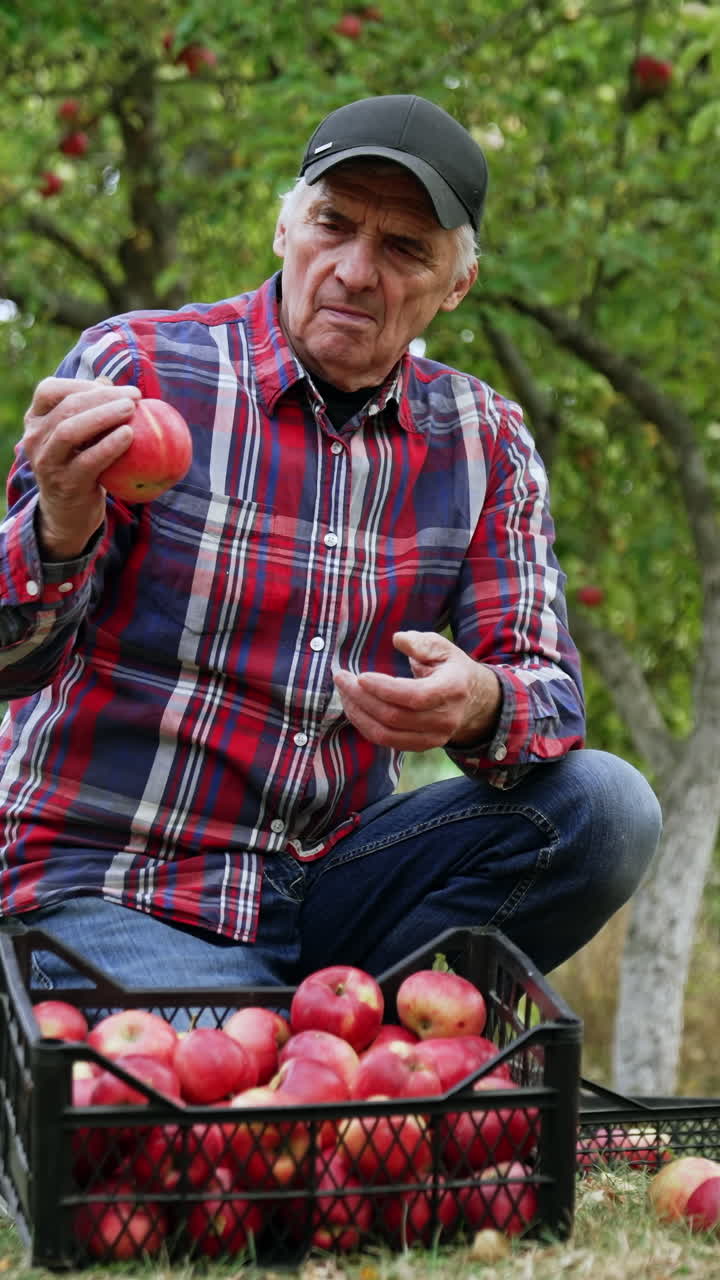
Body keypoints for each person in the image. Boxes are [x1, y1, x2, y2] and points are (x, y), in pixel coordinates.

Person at [0, 94, 660, 995]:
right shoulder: (137, 371)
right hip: (122, 881)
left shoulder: (482, 438)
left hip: (332, 880)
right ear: (284, 229)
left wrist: (478, 704)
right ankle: (308, 1065)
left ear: (454, 286)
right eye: (332, 224)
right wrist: (59, 526)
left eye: (403, 250)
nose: (354, 270)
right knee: (230, 1126)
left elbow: (548, 693)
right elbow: (10, 663)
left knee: (607, 809)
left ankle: (347, 1040)